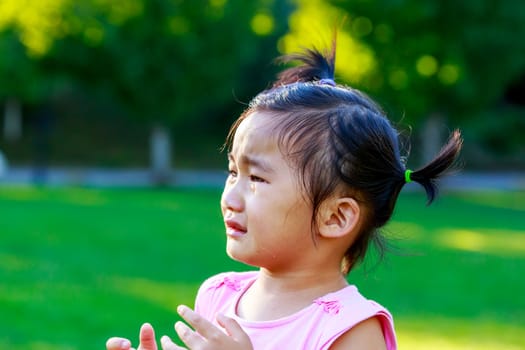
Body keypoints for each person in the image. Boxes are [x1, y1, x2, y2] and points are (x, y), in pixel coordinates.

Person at [106, 43, 462, 350]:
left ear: (335, 217)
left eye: (257, 178)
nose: (231, 196)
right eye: (233, 172)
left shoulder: (351, 330)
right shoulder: (219, 295)